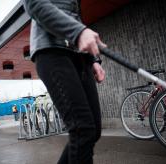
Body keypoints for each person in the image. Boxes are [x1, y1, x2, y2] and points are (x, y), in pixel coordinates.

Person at [23, 0, 107, 163]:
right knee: (82, 130)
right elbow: (35, 4)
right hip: (51, 51)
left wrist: (93, 60)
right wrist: (78, 32)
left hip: (79, 55)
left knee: (93, 130)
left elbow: (74, 17)